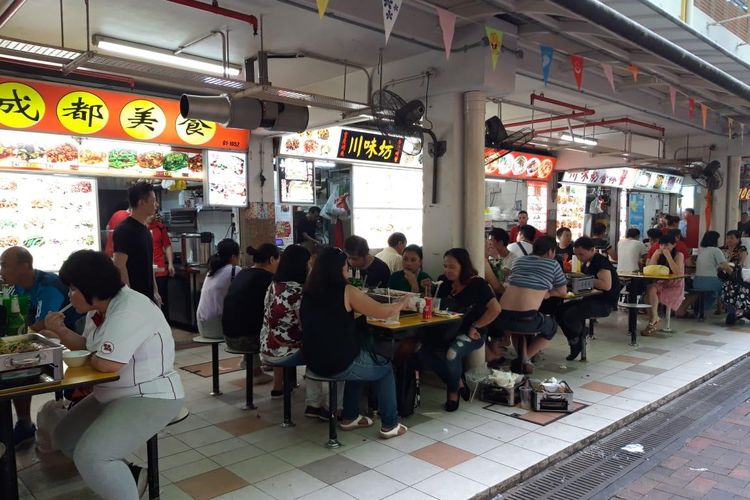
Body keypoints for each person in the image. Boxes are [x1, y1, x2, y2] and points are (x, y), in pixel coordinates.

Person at [47, 250, 184, 500]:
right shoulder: (98, 310)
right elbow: (89, 347)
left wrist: (94, 357)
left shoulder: (130, 309)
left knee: (93, 455)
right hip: (111, 393)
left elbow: (108, 364)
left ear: (92, 287)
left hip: (150, 394)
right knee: (66, 437)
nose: (69, 295)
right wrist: (62, 332)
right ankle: (130, 476)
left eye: (73, 288)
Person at [300, 247, 408, 438]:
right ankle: (390, 424)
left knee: (360, 359)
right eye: (345, 268)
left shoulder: (308, 291)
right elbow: (381, 311)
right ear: (337, 269)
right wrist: (402, 302)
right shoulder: (346, 290)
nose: (348, 271)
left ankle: (350, 417)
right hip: (338, 362)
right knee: (385, 368)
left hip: (313, 362)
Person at [0, 246, 82, 446]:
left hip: (71, 339)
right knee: (15, 366)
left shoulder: (48, 286)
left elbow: (42, 325)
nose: (1, 270)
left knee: (21, 359)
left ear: (25, 266)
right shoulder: (15, 286)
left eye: (4, 265)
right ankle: (24, 422)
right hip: (45, 340)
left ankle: (25, 423)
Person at [260, 245, 343, 418]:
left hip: (268, 347)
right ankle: (334, 407)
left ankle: (313, 405)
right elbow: (308, 325)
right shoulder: (297, 291)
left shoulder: (274, 285)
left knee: (315, 346)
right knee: (336, 354)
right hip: (286, 350)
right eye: (308, 263)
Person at [421, 248, 501, 411]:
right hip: (446, 330)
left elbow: (496, 309)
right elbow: (436, 307)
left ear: (463, 267)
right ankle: (458, 382)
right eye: (445, 266)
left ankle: (453, 394)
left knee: (452, 354)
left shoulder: (477, 284)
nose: (447, 271)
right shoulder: (443, 281)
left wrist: (475, 325)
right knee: (422, 353)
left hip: (473, 333)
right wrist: (428, 290)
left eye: (452, 267)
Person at [498, 236, 568, 373]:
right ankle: (524, 359)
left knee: (518, 329)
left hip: (502, 316)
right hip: (526, 317)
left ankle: (523, 358)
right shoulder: (552, 264)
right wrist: (549, 294)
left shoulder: (519, 261)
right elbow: (562, 291)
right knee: (551, 326)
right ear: (550, 252)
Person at [222, 244, 280, 385]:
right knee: (282, 329)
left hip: (228, 335)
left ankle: (255, 363)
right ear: (272, 260)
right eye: (279, 260)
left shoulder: (243, 273)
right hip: (245, 339)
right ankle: (256, 372)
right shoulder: (267, 279)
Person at [556, 237, 620, 360]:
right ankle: (576, 339)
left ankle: (578, 337)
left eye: (581, 254)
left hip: (604, 303)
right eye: (576, 254)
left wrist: (583, 279)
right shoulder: (588, 261)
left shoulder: (600, 261)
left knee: (570, 314)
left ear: (592, 250)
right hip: (591, 299)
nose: (579, 257)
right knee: (558, 310)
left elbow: (606, 285)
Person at [113, 182, 159, 303]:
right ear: (141, 203)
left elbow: (148, 264)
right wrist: (130, 297)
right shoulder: (124, 230)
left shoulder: (145, 230)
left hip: (146, 296)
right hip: (133, 297)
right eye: (153, 201)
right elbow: (120, 266)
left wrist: (155, 291)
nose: (156, 205)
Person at [642, 233, 685, 336]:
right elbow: (648, 269)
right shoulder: (659, 254)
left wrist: (668, 256)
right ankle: (654, 320)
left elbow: (677, 272)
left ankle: (653, 322)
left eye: (666, 245)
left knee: (651, 290)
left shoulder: (679, 255)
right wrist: (655, 255)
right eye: (661, 245)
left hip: (674, 285)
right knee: (649, 293)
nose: (663, 247)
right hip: (662, 283)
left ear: (674, 245)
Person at [196, 239, 240, 339]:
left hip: (201, 324)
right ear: (233, 257)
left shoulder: (212, 270)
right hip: (216, 326)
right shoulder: (234, 270)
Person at [677, 231, 725, 318]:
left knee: (704, 291)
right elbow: (724, 265)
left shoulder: (701, 250)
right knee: (725, 286)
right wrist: (732, 271)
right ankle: (721, 309)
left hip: (697, 281)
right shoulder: (716, 250)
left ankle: (700, 309)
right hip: (710, 282)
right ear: (715, 240)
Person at [149, 213, 175, 315]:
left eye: (154, 212)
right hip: (146, 270)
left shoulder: (160, 227)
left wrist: (170, 263)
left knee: (161, 300)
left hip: (160, 270)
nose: (152, 215)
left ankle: (164, 325)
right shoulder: (140, 227)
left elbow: (167, 246)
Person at [485, 227, 513, 295]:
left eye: (491, 240)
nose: (489, 243)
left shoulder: (515, 259)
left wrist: (496, 259)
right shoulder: (490, 257)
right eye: (488, 240)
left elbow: (501, 277)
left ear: (500, 242)